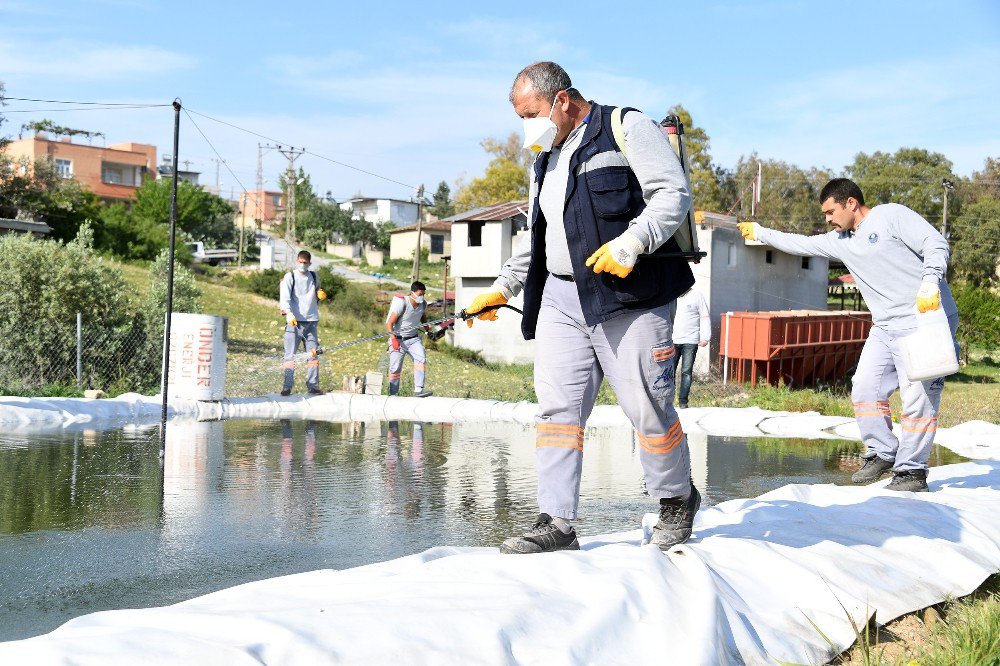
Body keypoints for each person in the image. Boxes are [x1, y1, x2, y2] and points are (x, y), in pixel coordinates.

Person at [467, 61, 700, 554]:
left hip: (630, 295)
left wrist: (631, 243)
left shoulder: (626, 127)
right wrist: (503, 286)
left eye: (531, 113)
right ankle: (557, 522)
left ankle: (676, 500)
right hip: (560, 297)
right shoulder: (544, 160)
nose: (527, 126)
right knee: (557, 410)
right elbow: (541, 232)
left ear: (562, 101)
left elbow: (671, 194)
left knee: (646, 406)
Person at [738, 178, 958, 492]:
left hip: (925, 317)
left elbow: (935, 243)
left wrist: (929, 281)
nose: (828, 219)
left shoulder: (891, 216)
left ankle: (912, 472)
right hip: (885, 326)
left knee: (918, 400)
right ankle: (883, 452)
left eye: (831, 211)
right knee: (865, 386)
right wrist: (760, 233)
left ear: (851, 202)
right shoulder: (839, 241)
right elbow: (800, 243)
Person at [279, 250, 326, 396]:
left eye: (305, 263)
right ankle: (287, 387)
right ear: (296, 262)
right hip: (294, 321)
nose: (303, 265)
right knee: (290, 356)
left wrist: (320, 294)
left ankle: (313, 385)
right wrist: (288, 314)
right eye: (300, 262)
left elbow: (316, 291)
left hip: (311, 321)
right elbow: (284, 297)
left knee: (312, 356)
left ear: (310, 263)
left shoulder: (314, 276)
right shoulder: (290, 276)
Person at [385, 281, 433, 398]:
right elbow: (389, 323)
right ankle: (393, 394)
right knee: (395, 368)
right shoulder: (403, 303)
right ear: (412, 293)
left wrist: (427, 328)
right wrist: (394, 339)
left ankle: (418, 390)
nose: (422, 296)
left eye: (424, 294)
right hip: (398, 339)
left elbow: (422, 315)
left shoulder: (423, 304)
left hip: (414, 339)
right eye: (420, 294)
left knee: (421, 358)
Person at [672, 287, 710, 409]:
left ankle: (683, 401)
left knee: (686, 372)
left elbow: (705, 316)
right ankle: (668, 400)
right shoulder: (671, 294)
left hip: (690, 341)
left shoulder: (697, 295)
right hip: (672, 340)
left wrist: (705, 337)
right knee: (668, 372)